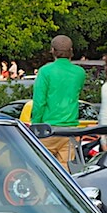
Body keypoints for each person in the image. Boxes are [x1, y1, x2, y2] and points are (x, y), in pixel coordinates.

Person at [30, 35, 86, 167]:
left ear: (52, 50)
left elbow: (39, 102)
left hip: (48, 129)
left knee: (42, 169)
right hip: (70, 130)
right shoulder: (79, 72)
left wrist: (35, 124)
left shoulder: (45, 71)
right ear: (71, 50)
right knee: (66, 171)